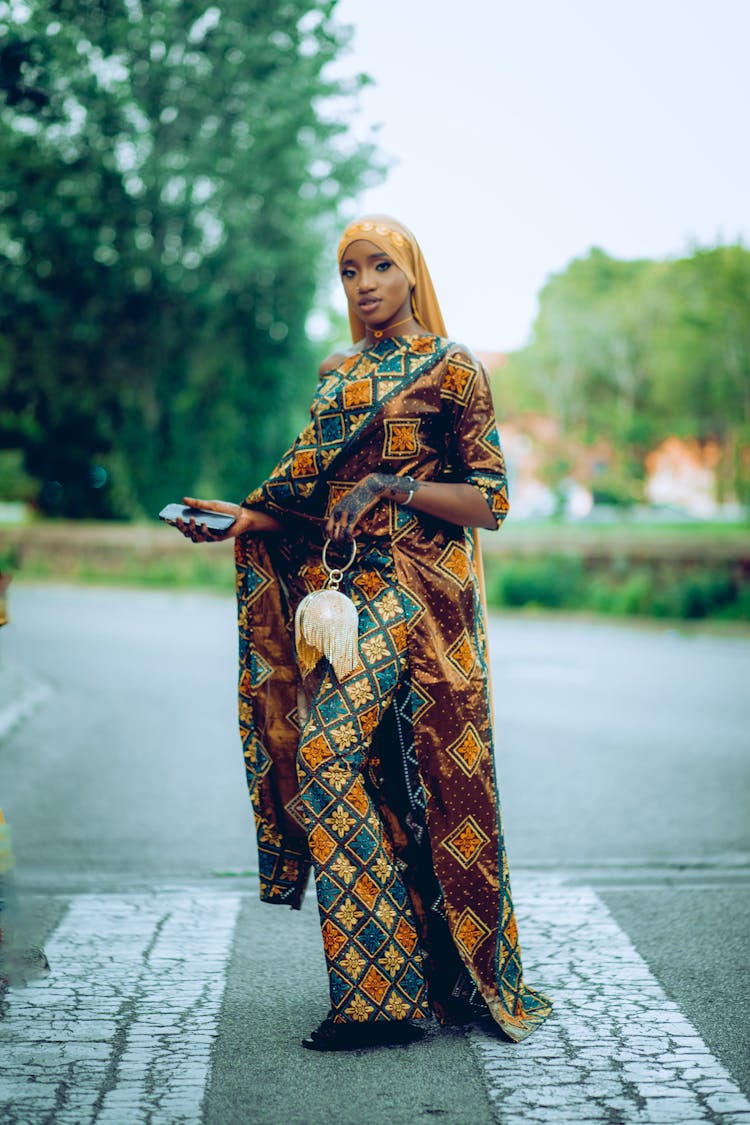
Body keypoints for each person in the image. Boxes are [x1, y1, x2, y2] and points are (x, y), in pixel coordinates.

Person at [173, 214, 552, 1050]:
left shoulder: (455, 369)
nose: (366, 283)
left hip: (421, 598)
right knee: (342, 769)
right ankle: (386, 973)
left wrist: (393, 484)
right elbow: (301, 492)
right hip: (342, 596)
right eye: (350, 271)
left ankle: (393, 988)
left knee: (336, 758)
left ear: (412, 272)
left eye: (382, 265)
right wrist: (236, 522)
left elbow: (489, 501)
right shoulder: (337, 372)